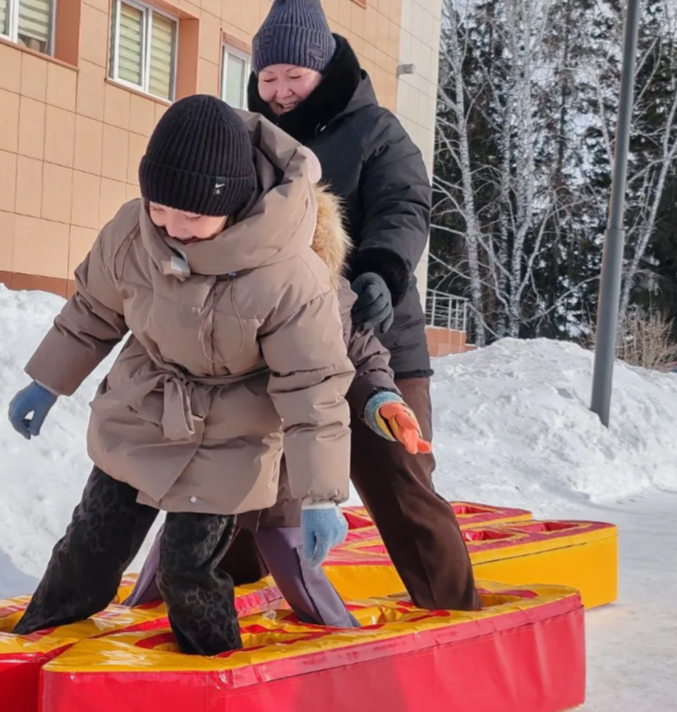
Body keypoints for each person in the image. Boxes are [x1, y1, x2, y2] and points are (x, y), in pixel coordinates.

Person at [129, 0, 480, 618]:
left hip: (375, 335)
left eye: (295, 75)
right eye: (269, 77)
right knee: (242, 472)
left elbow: (405, 207)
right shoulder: (243, 139)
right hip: (275, 341)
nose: (281, 90)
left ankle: (452, 610)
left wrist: (381, 271)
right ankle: (222, 603)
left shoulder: (376, 131)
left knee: (398, 477)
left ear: (324, 68)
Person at [7, 95, 368, 655]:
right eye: (160, 208)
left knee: (186, 571)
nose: (172, 228)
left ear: (233, 201)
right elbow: (94, 311)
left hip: (232, 434)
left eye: (192, 217)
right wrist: (48, 379)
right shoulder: (133, 231)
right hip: (142, 407)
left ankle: (211, 671)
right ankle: (36, 643)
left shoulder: (289, 275)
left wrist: (320, 494)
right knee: (88, 545)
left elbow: (313, 386)